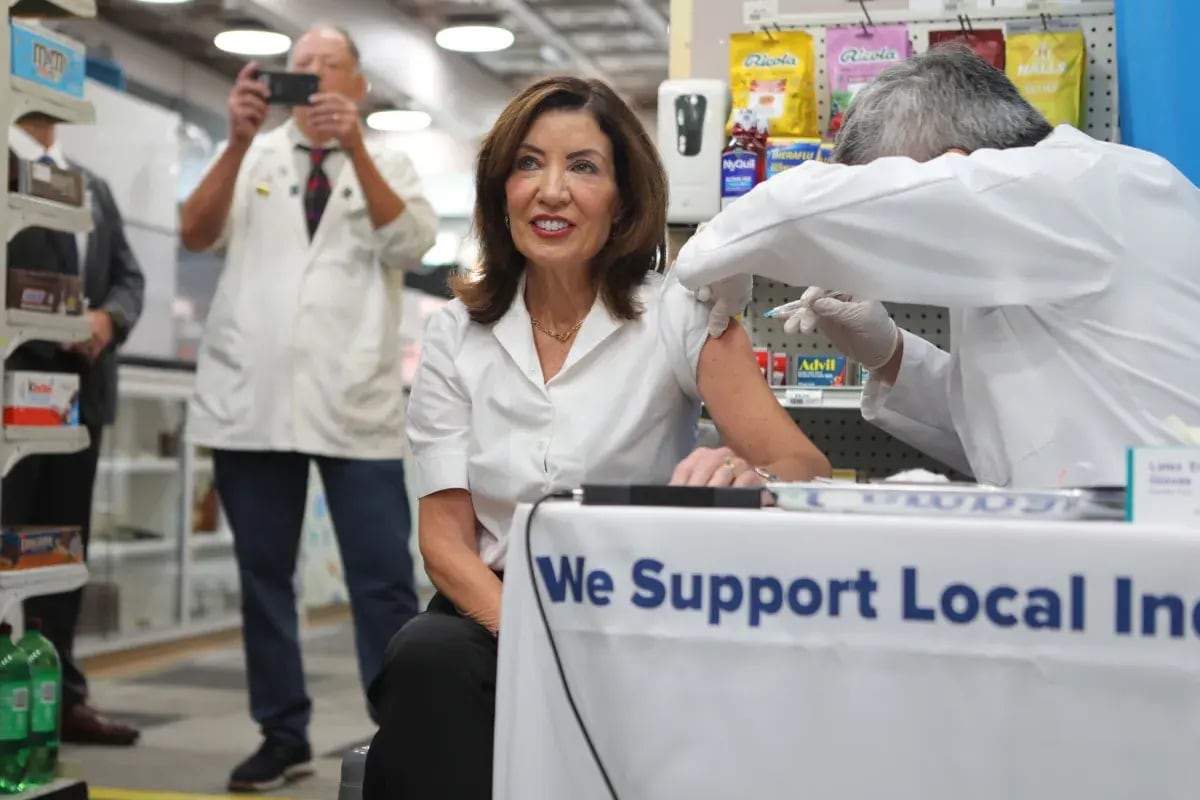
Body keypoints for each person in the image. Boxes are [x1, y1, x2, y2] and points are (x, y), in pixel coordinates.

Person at [362, 76, 831, 799]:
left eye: (583, 166)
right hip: (493, 609)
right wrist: (528, 633)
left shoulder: (676, 311)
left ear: (623, 199)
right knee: (423, 659)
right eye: (527, 163)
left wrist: (749, 475)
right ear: (500, 191)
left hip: (643, 606)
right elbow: (445, 541)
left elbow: (801, 461)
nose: (551, 190)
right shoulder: (457, 333)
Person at [674, 45, 1200, 489]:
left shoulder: (1084, 186)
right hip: (1108, 559)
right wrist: (889, 353)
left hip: (1169, 555)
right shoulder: (1025, 239)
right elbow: (1005, 436)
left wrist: (714, 247)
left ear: (954, 168)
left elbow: (800, 205)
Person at [178, 25, 438, 792]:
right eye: (300, 67)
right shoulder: (249, 152)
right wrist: (234, 139)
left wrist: (355, 150)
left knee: (383, 578)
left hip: (352, 405)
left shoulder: (386, 159)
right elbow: (195, 231)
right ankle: (282, 734)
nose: (313, 77)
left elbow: (413, 245)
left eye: (330, 67)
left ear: (357, 87)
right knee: (263, 575)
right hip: (250, 403)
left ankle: (404, 735)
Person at [4, 112, 145, 745]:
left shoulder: (90, 185)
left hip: (77, 401)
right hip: (13, 394)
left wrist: (107, 321)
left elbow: (128, 277)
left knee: (61, 552)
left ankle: (59, 699)